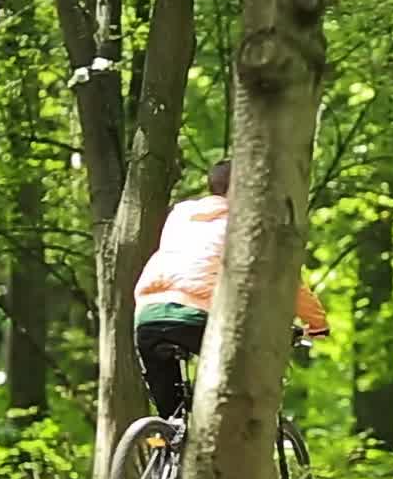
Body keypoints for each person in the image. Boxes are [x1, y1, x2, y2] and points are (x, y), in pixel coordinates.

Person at [133, 160, 329, 418]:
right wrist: (317, 323)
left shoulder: (180, 215)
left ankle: (166, 448)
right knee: (244, 389)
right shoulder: (248, 225)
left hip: (148, 313)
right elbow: (287, 280)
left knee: (171, 414)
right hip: (198, 315)